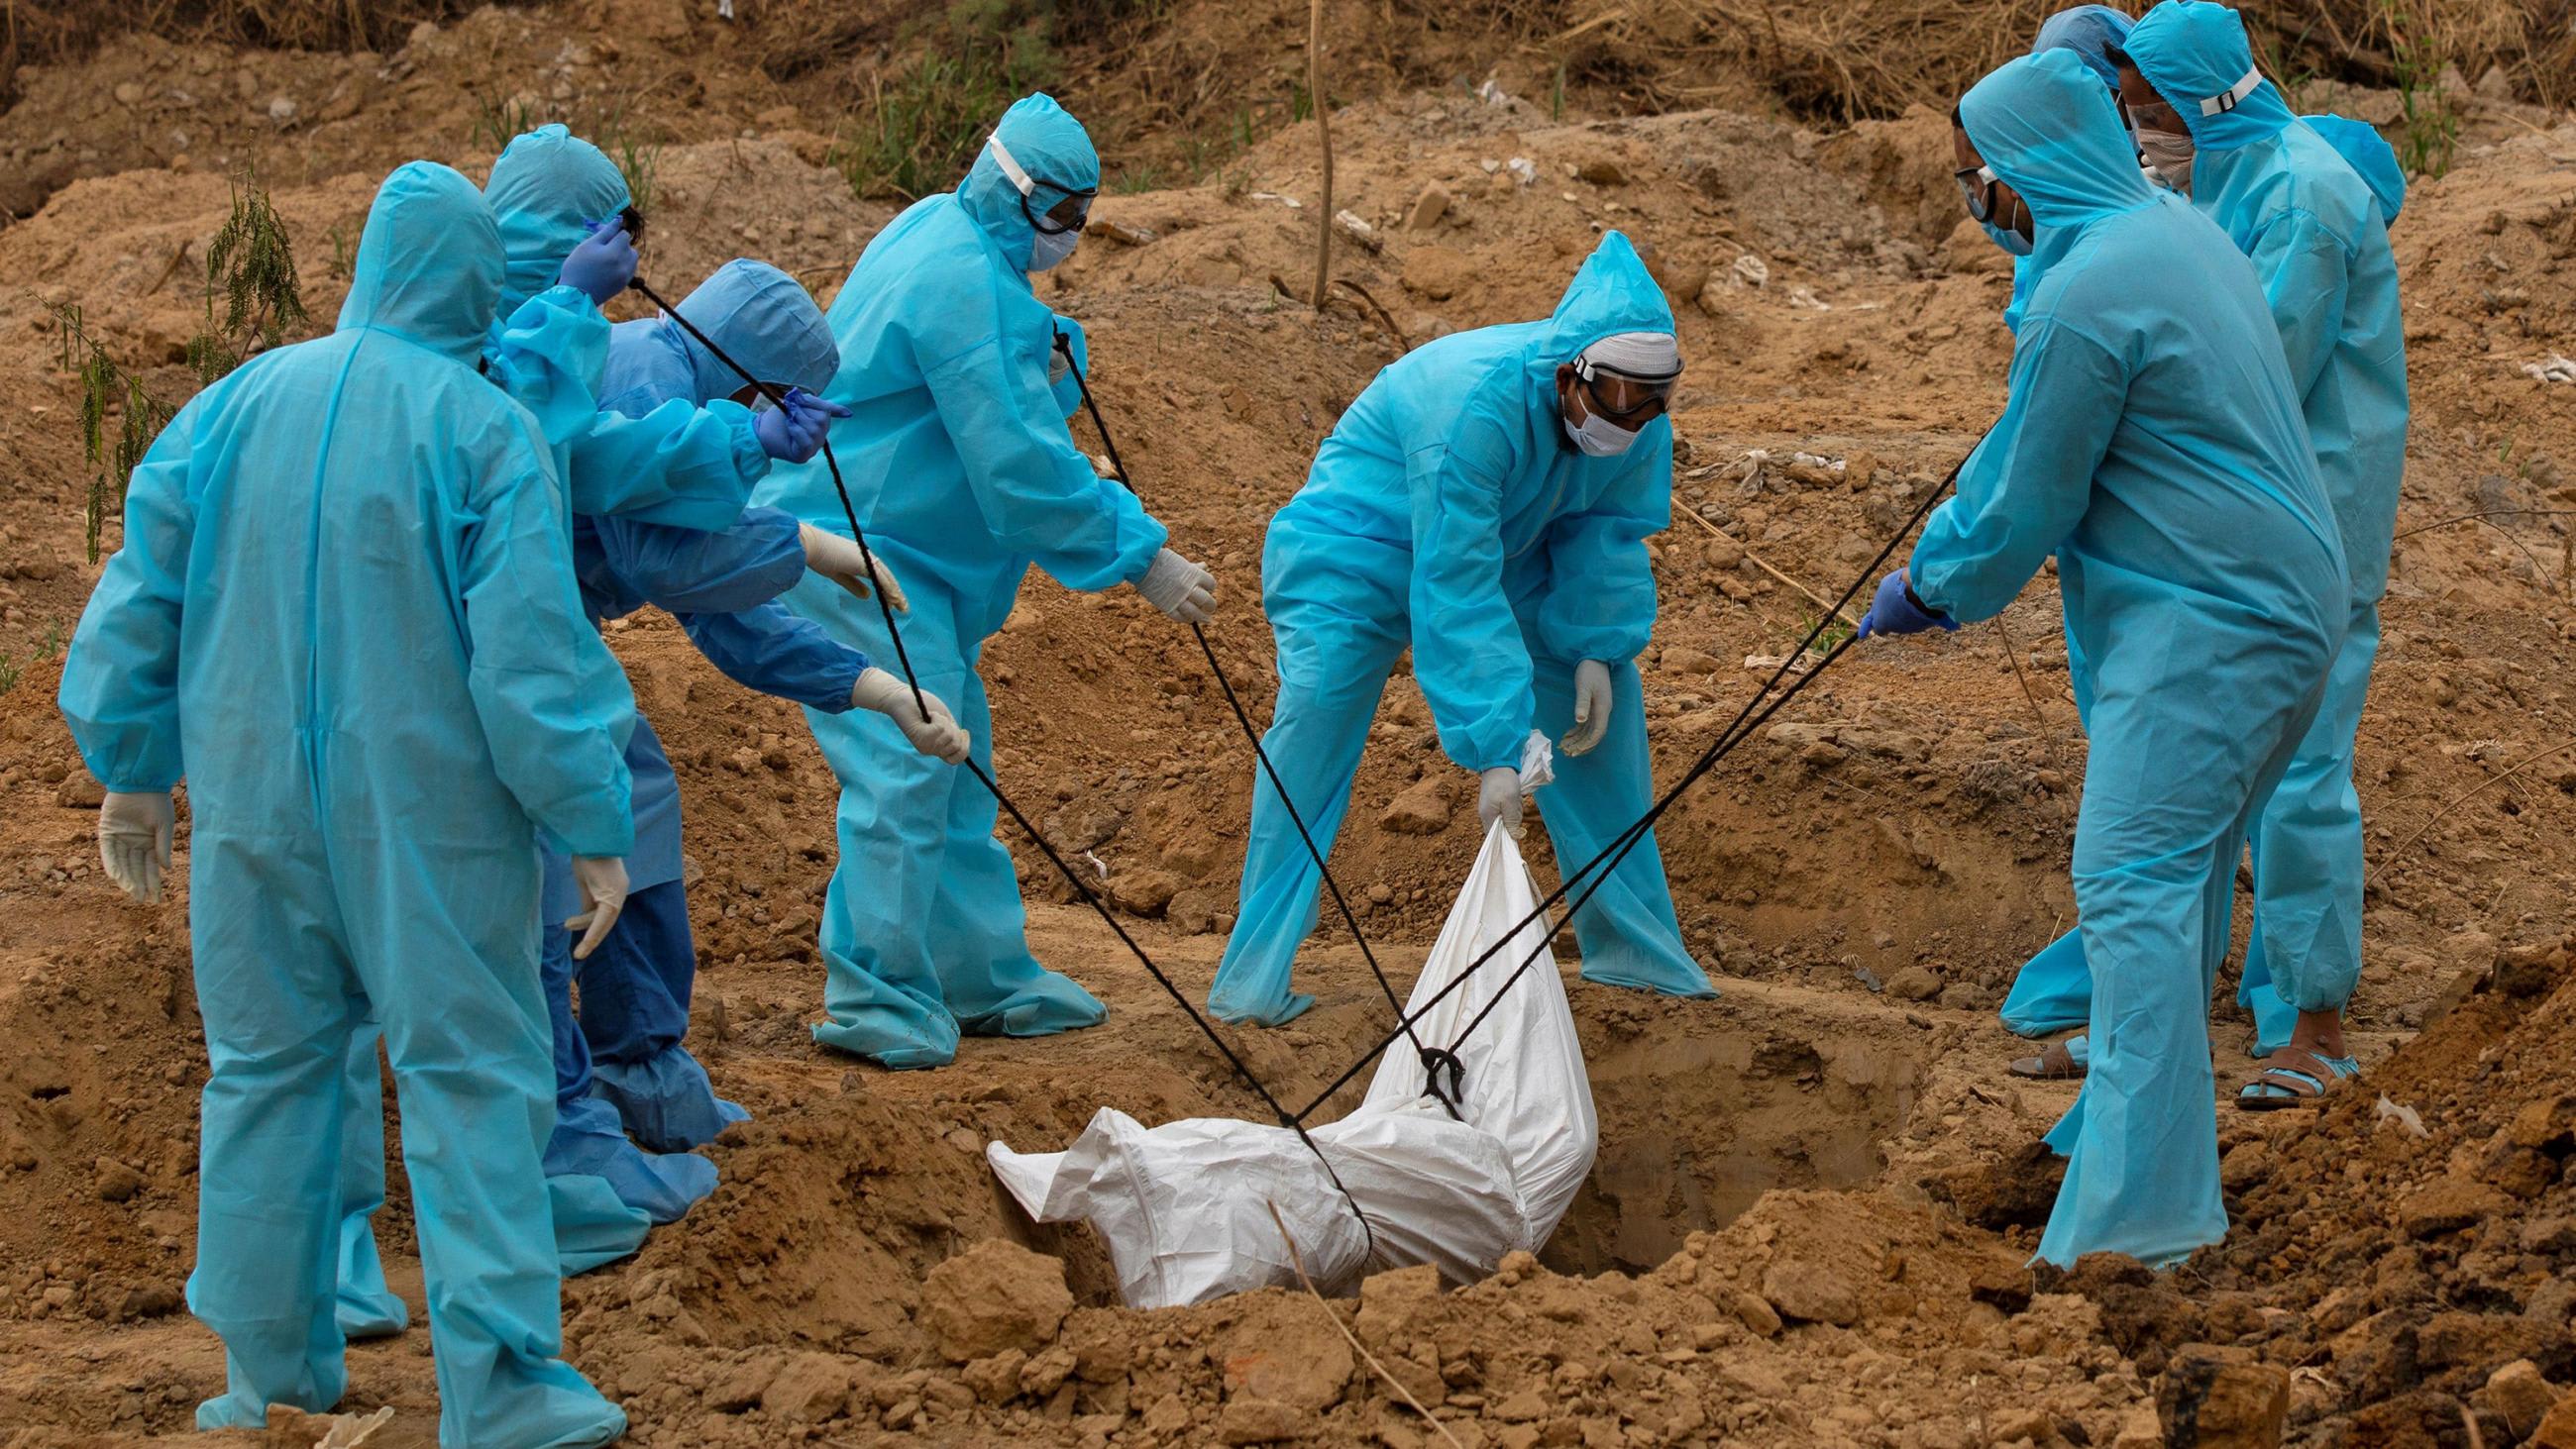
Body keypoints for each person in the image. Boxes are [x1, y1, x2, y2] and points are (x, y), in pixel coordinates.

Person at [59, 161, 632, 1447]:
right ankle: (501, 1389)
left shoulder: (229, 405)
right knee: (472, 1076)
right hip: (427, 824)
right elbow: (531, 665)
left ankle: (268, 1378)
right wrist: (593, 819)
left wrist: (134, 765)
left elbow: (135, 600)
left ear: (369, 265)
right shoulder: (486, 429)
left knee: (265, 1076)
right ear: (481, 282)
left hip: (251, 815)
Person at [1858, 52, 2343, 1266]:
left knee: (2128, 885)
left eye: (1976, 177)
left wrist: (1932, 584)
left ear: (2017, 169)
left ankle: (2141, 1225)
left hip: (2207, 623)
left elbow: (2029, 493)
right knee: (2171, 890)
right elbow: (2049, 435)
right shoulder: (2166, 229)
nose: (1977, 200)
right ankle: (2114, 1142)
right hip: (2281, 602)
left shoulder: (2085, 298)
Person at [1999, 1, 2408, 1109]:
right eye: (2125, 118)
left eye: (2147, 115)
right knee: (2186, 786)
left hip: (2303, 530)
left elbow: (2238, 367)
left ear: (2196, 103)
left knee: (2301, 772)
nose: (2139, 141)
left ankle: (2310, 1022)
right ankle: (2150, 1027)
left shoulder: (2306, 199)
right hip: (2217, 529)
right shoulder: (2219, 176)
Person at [758, 93, 1215, 1070]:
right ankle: (874, 993)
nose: (1071, 236)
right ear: (1016, 194)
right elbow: (1016, 467)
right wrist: (1141, 555)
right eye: (1063, 215)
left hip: (902, 550)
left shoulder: (944, 229)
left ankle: (978, 976)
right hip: (858, 548)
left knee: (955, 764)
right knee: (907, 764)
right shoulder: (963, 281)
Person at [544, 259, 969, 1219]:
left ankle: (640, 1071)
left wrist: (877, 689)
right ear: (753, 381)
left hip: (553, 629)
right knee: (551, 854)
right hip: (510, 629)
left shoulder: (685, 393)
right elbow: (669, 561)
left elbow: (728, 621)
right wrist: (801, 544)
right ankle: (561, 1125)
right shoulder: (646, 376)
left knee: (634, 796)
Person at [1208, 230, 1715, 1028]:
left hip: (1513, 539)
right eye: (1615, 395)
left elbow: (1606, 527)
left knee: (1605, 709)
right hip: (1359, 548)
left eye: (1654, 400)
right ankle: (1254, 972)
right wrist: (1495, 746)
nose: (1633, 418)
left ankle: (1636, 953)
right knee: (1317, 719)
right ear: (1568, 374)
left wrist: (1592, 643)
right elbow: (1455, 582)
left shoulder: (1639, 422)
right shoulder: (1473, 411)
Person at [1998, 6, 2138, 334]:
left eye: (2088, 101)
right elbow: (2032, 306)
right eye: (2055, 106)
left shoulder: (2180, 171)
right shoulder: (2055, 185)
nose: (2072, 124)